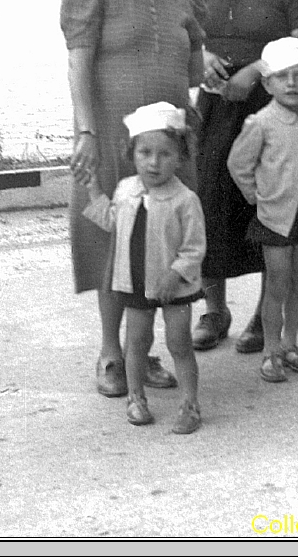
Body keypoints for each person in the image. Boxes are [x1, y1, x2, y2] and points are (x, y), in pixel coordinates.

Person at [61, 0, 205, 398]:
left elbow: (191, 73)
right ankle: (111, 352)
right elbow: (78, 62)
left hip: (166, 144)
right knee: (110, 242)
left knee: (157, 241)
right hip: (111, 136)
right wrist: (85, 131)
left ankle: (144, 352)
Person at [193, 0, 298, 353]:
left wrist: (255, 70)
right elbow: (190, 39)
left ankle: (263, 317)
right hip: (213, 113)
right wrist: (203, 59)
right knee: (207, 206)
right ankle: (214, 309)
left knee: (269, 212)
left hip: (271, 116)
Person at [227, 37, 298, 383]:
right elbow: (238, 164)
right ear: (267, 83)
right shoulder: (260, 122)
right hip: (276, 219)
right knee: (276, 285)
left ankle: (291, 345)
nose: (291, 83)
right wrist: (258, 197)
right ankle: (270, 351)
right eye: (281, 76)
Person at [83, 103, 203, 432]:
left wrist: (175, 273)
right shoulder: (125, 190)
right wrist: (93, 190)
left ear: (180, 156)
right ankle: (136, 398)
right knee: (135, 342)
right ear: (132, 154)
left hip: (174, 287)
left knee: (180, 344)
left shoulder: (185, 200)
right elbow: (112, 222)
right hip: (135, 283)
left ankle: (190, 404)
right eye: (145, 152)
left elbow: (194, 249)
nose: (154, 162)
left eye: (165, 154)